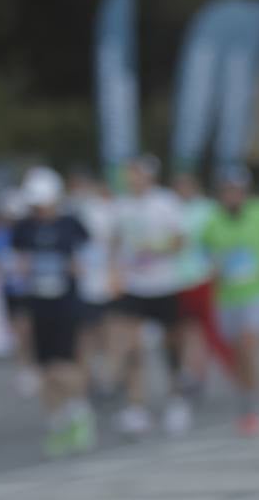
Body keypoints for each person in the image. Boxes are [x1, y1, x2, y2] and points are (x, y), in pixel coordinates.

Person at [200, 166, 259, 436]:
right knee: (237, 351)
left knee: (249, 343)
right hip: (227, 296)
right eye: (228, 191)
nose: (233, 196)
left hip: (258, 292)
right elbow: (202, 249)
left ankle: (252, 406)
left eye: (237, 191)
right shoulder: (212, 221)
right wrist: (210, 264)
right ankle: (245, 398)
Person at [11, 167, 96, 457]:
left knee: (65, 363)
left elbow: (88, 255)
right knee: (44, 366)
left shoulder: (71, 224)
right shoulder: (24, 227)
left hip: (66, 303)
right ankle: (56, 422)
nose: (39, 209)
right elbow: (18, 262)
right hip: (38, 302)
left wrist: (77, 267)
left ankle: (80, 412)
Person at [110, 155, 191, 437]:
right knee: (132, 348)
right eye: (129, 175)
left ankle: (176, 399)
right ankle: (136, 407)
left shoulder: (166, 202)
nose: (132, 180)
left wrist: (154, 249)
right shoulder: (121, 205)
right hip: (135, 286)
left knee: (171, 347)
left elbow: (181, 241)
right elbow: (116, 241)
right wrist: (116, 271)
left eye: (137, 174)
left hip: (165, 284)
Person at [172, 171, 234, 392]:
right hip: (180, 280)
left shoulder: (208, 209)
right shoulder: (172, 208)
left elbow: (220, 240)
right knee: (188, 330)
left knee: (210, 329)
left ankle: (228, 370)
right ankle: (193, 372)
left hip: (204, 277)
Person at [68, 168, 119, 399]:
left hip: (106, 283)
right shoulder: (74, 210)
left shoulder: (109, 210)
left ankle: (109, 378)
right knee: (86, 336)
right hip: (85, 286)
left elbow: (115, 245)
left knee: (108, 333)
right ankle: (91, 381)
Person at [0, 188, 39, 397]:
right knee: (19, 331)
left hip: (31, 288)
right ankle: (25, 369)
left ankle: (35, 365)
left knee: (31, 329)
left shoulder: (29, 230)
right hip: (12, 290)